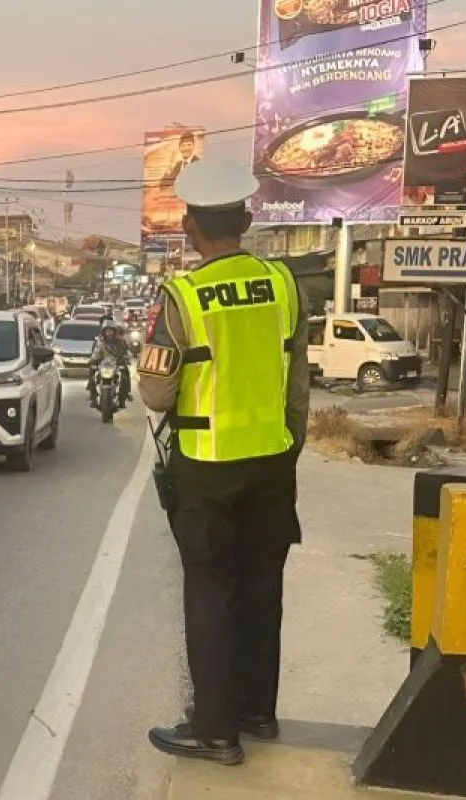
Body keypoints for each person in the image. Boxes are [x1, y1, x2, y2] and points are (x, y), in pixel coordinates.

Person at [138, 158, 309, 765]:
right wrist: (289, 444)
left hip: (207, 463)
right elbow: (298, 379)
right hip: (272, 459)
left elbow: (157, 393)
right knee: (263, 586)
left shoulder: (182, 296)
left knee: (211, 590)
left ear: (190, 228)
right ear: (247, 221)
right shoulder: (283, 283)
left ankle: (214, 731)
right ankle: (256, 712)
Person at [87, 323, 132, 405]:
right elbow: (96, 353)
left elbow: (126, 353)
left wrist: (125, 360)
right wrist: (93, 361)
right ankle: (93, 396)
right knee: (92, 373)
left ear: (114, 332)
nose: (109, 333)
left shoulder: (121, 342)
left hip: (116, 365)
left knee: (125, 374)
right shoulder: (100, 342)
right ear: (104, 332)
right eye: (107, 331)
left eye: (111, 331)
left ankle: (124, 396)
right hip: (103, 365)